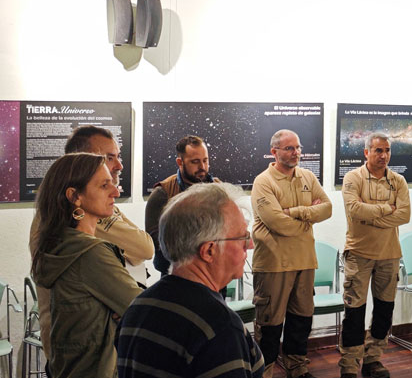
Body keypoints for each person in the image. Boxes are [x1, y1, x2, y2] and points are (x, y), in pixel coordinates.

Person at [28, 125, 154, 373]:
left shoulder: (60, 232)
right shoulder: (87, 249)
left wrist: (112, 309)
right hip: (94, 358)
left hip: (71, 354)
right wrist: (117, 310)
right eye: (109, 158)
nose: (117, 167)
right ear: (75, 196)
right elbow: (145, 248)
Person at [117, 182, 264, 377]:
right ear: (209, 250)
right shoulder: (218, 326)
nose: (251, 244)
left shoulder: (139, 306)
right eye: (242, 237)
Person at [251, 129, 333, 378]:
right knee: (270, 324)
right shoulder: (263, 182)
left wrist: (294, 212)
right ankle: (263, 372)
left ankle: (297, 367)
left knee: (301, 319)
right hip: (274, 263)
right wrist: (308, 216)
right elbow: (277, 222)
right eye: (289, 148)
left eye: (298, 147)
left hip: (305, 261)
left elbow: (327, 208)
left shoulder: (308, 176)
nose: (296, 152)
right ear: (274, 151)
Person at [338, 133, 411, 378]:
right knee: (354, 313)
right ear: (366, 152)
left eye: (387, 150)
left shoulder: (398, 180)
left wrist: (372, 216)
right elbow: (354, 210)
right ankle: (349, 365)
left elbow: (404, 216)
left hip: (389, 255)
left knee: (384, 310)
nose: (384, 155)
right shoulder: (353, 177)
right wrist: (385, 211)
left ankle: (373, 359)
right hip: (358, 254)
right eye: (378, 150)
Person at [145, 135, 221, 276]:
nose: (202, 167)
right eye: (195, 162)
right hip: (176, 276)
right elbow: (155, 239)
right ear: (180, 162)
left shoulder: (220, 190)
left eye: (205, 160)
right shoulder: (163, 193)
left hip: (214, 275)